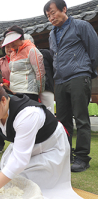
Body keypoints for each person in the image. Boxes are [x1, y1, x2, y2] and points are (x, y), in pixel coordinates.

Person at [0, 80, 82, 199]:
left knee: (38, 189)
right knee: (11, 179)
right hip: (26, 146)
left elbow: (20, 160)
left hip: (50, 146)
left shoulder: (28, 114)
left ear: (3, 100)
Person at [44, 0, 98, 172]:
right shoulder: (51, 34)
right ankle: (66, 154)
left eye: (53, 13)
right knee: (62, 121)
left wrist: (86, 71)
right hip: (59, 80)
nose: (51, 18)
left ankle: (83, 157)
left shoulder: (81, 26)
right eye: (48, 16)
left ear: (64, 9)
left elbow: (94, 50)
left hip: (78, 76)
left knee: (81, 119)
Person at [1, 26, 45, 102]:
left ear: (20, 37)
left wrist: (39, 90)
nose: (11, 44)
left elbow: (40, 72)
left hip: (28, 91)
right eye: (9, 41)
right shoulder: (13, 53)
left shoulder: (32, 50)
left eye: (13, 40)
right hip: (14, 92)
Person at [0, 43, 13, 154]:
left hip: (20, 90)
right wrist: (7, 83)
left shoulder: (19, 57)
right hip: (5, 91)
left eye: (11, 46)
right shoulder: (0, 61)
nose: (9, 49)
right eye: (6, 47)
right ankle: (0, 144)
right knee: (1, 116)